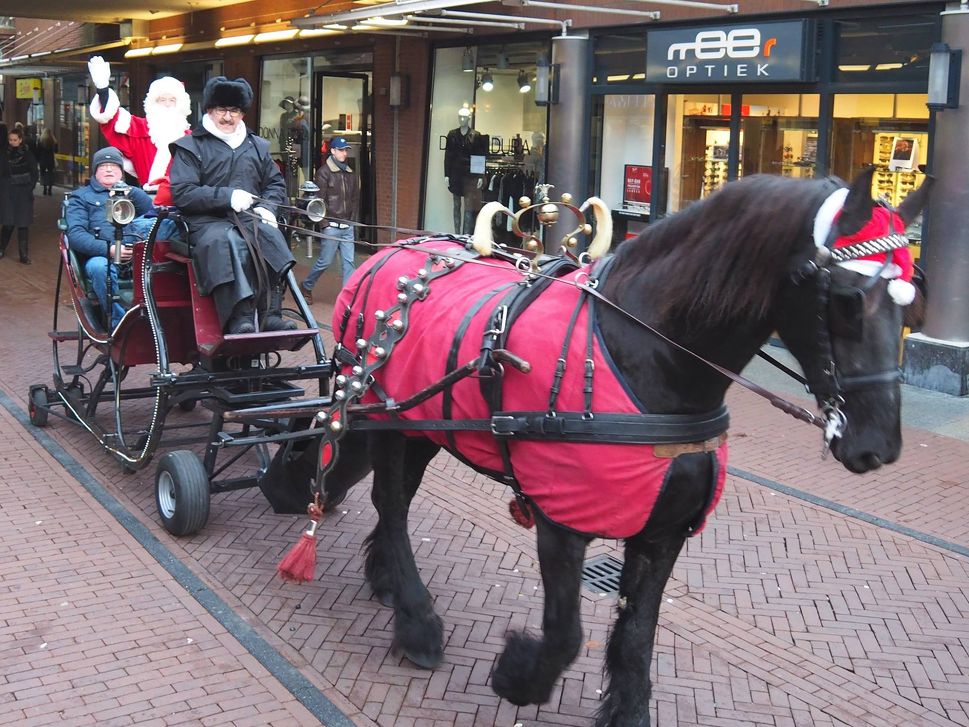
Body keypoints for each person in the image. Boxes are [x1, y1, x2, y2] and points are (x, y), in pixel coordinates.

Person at [169, 76, 297, 335]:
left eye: (234, 111)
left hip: (250, 219)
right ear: (209, 111)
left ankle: (271, 313)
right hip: (206, 223)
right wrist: (227, 197)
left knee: (271, 235)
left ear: (242, 113)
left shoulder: (257, 146)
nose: (228, 117)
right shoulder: (190, 147)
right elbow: (183, 193)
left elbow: (275, 185)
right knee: (229, 241)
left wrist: (267, 208)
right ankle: (240, 316)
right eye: (222, 110)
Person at [65, 147, 153, 327]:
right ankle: (118, 321)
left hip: (135, 254)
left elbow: (152, 214)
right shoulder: (81, 197)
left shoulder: (133, 194)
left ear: (121, 171)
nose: (109, 169)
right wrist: (110, 250)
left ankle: (154, 317)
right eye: (103, 166)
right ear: (95, 170)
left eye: (113, 166)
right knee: (99, 267)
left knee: (164, 231)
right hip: (100, 255)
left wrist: (132, 192)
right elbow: (76, 235)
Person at [87, 56, 191, 206]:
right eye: (162, 100)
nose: (167, 105)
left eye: (172, 100)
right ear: (153, 103)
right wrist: (103, 89)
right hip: (147, 202)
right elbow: (112, 119)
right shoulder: (140, 129)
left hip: (183, 203)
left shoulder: (190, 138)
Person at [300, 136, 359, 304]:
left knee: (349, 263)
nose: (344, 153)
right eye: (341, 150)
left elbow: (355, 199)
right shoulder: (323, 173)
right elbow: (319, 201)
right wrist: (324, 224)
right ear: (332, 151)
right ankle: (307, 285)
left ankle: (346, 298)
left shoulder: (350, 173)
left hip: (347, 226)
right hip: (331, 226)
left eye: (346, 150)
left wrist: (352, 221)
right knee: (325, 261)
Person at [0, 127, 39, 264]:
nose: (12, 142)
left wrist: (29, 188)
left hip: (23, 193)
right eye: (10, 140)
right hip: (8, 192)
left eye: (15, 140)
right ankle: (1, 249)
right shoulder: (4, 154)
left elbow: (34, 173)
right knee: (8, 223)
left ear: (20, 140)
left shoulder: (28, 155)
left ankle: (23, 255)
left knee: (23, 224)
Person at [444, 107, 486, 234]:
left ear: (469, 118)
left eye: (464, 117)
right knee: (456, 205)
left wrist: (479, 175)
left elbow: (479, 156)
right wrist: (446, 175)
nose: (462, 119)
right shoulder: (452, 134)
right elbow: (448, 156)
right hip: (455, 175)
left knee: (468, 207)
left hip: (469, 176)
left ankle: (466, 234)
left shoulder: (476, 135)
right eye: (460, 117)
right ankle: (457, 233)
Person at [37, 128, 58, 196]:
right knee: (50, 174)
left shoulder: (41, 140)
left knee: (43, 174)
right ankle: (50, 189)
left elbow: (38, 151)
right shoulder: (53, 141)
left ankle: (45, 188)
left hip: (42, 159)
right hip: (50, 160)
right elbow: (56, 151)